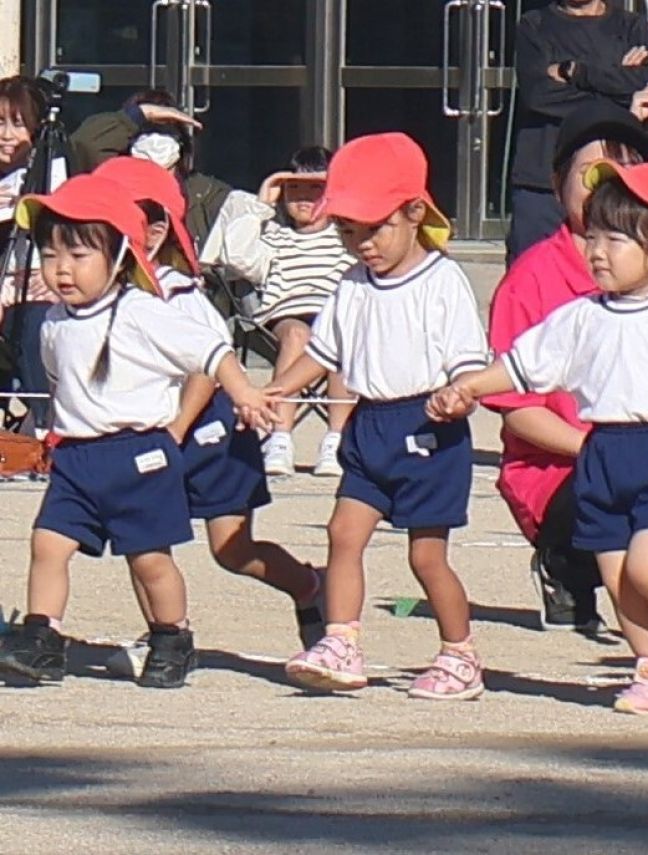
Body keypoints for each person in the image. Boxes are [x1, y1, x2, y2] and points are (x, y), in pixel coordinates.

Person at [430, 161, 648, 714]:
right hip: (602, 454)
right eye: (594, 235)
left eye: (619, 238)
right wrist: (468, 387)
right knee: (618, 579)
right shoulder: (580, 315)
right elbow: (523, 366)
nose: (599, 251)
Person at [0, 174, 275, 689]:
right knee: (47, 544)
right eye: (52, 255)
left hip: (139, 455)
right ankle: (42, 639)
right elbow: (63, 387)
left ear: (121, 255)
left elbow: (212, 353)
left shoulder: (143, 311)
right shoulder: (54, 321)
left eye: (79, 256)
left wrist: (244, 394)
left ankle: (173, 637)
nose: (62, 270)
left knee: (149, 560)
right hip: (77, 459)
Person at [269, 133, 490, 701]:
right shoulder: (351, 284)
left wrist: (458, 396)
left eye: (374, 228)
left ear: (415, 212)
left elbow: (469, 363)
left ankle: (459, 653)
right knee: (343, 532)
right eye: (348, 231)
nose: (361, 244)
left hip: (427, 430)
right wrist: (276, 392)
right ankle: (341, 640)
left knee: (426, 555)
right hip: (369, 427)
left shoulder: (442, 281)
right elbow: (323, 354)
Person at [91, 156, 327, 666]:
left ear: (155, 230)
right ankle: (166, 633)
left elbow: (206, 367)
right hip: (150, 433)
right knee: (142, 538)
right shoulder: (103, 296)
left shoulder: (178, 293)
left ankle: (311, 586)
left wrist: (175, 428)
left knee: (232, 550)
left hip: (208, 430)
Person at [486, 101, 648, 632]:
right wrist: (601, 451)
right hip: (559, 467)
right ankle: (564, 568)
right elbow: (517, 413)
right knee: (605, 480)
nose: (605, 186)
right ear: (558, 185)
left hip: (646, 452)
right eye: (589, 175)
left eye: (623, 172)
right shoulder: (530, 279)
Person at [220, 146, 355, 477]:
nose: (304, 197)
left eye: (315, 188)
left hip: (334, 314)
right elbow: (234, 256)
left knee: (340, 335)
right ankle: (280, 437)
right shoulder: (275, 237)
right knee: (299, 334)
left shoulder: (346, 236)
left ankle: (335, 440)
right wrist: (262, 204)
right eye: (295, 189)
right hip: (286, 317)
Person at [508, 0, 648, 261]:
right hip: (541, 181)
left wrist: (574, 71)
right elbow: (539, 95)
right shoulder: (533, 26)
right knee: (532, 278)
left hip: (614, 180)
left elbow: (642, 82)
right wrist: (619, 96)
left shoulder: (632, 27)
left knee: (608, 277)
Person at [70, 89, 231, 248]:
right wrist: (140, 114)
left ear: (180, 140)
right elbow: (86, 143)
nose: (155, 138)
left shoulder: (207, 195)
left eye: (165, 129)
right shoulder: (112, 183)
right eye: (147, 130)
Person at [0, 75, 58, 434]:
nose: (6, 134)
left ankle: (44, 424)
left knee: (36, 321)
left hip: (29, 294)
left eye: (17, 124)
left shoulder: (47, 175)